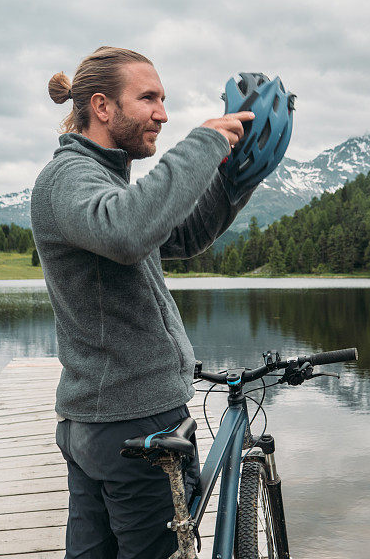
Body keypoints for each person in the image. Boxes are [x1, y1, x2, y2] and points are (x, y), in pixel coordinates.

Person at [31, 46, 257, 558]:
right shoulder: (69, 177)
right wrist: (204, 142)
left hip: (107, 422)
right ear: (103, 106)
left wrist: (237, 178)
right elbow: (130, 229)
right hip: (131, 424)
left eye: (165, 99)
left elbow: (178, 233)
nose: (163, 112)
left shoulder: (107, 182)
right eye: (148, 98)